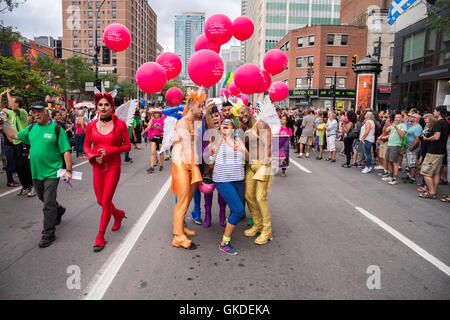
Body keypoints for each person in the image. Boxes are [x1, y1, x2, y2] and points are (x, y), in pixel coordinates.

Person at [1, 101, 72, 248]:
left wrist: (68, 170)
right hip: (36, 173)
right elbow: (15, 135)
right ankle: (58, 210)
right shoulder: (32, 128)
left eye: (39, 111)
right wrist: (4, 125)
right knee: (44, 199)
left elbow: (66, 151)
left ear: (46, 111)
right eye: (33, 111)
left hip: (53, 173)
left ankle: (48, 233)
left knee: (47, 204)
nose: (36, 114)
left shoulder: (57, 129)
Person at [83, 91, 131, 252]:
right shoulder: (91, 125)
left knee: (105, 202)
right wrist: (91, 156)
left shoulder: (120, 125)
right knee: (100, 201)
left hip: (113, 167)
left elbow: (127, 146)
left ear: (112, 107)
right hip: (97, 167)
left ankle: (100, 237)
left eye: (106, 104)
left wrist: (110, 150)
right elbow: (85, 146)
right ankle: (117, 214)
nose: (103, 107)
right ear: (97, 107)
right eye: (101, 104)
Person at [170, 90, 205, 250]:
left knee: (187, 199)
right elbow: (187, 147)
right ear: (191, 106)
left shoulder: (194, 121)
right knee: (183, 201)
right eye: (200, 106)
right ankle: (178, 236)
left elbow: (195, 144)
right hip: (182, 164)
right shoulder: (183, 123)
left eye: (202, 106)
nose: (202, 109)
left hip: (190, 165)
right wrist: (195, 167)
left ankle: (181, 228)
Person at [210, 118, 248, 255]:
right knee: (238, 210)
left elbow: (248, 158)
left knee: (237, 210)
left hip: (238, 179)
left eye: (229, 124)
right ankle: (224, 243)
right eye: (223, 123)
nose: (225, 125)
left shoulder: (238, 141)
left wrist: (242, 148)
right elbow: (210, 157)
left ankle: (229, 224)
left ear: (234, 128)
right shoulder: (217, 139)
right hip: (223, 179)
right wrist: (220, 139)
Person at [239, 105, 273, 245]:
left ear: (250, 111)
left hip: (262, 165)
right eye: (240, 114)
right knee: (248, 196)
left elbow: (269, 146)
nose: (242, 115)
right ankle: (258, 224)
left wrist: (264, 166)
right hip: (251, 165)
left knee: (260, 197)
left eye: (244, 112)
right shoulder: (247, 129)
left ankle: (267, 231)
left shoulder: (260, 124)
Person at [0, 88, 34, 195]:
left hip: (22, 142)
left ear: (18, 104)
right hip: (14, 143)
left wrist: (9, 94)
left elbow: (13, 107)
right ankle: (25, 186)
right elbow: (1, 107)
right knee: (18, 167)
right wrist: (2, 95)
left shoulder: (22, 112)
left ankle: (32, 186)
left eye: (13, 101)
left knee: (24, 166)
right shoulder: (11, 113)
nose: (11, 103)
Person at [419, 106, 449, 199]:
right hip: (441, 151)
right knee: (436, 173)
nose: (434, 112)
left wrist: (426, 138)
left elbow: (436, 136)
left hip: (433, 152)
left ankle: (431, 193)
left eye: (435, 111)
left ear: (439, 112)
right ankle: (433, 191)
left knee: (425, 172)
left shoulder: (438, 123)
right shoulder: (446, 123)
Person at [382, 113, 407, 185]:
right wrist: (385, 124)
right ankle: (390, 176)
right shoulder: (392, 125)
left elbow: (402, 135)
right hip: (390, 144)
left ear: (402, 119)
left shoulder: (403, 126)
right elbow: (385, 131)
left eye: (398, 117)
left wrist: (396, 127)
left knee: (394, 162)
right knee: (388, 161)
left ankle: (395, 178)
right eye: (395, 117)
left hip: (396, 145)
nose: (396, 119)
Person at [142, 108, 165, 173]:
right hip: (153, 137)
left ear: (160, 114)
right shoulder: (152, 120)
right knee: (152, 152)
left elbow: (165, 129)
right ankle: (151, 167)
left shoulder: (163, 120)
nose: (155, 114)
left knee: (161, 152)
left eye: (157, 113)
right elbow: (148, 127)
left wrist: (159, 129)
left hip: (161, 137)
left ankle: (161, 165)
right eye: (154, 113)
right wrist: (143, 132)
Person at [402, 113, 423, 184]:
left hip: (413, 148)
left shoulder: (417, 127)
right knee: (410, 163)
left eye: (412, 116)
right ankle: (410, 175)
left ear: (416, 119)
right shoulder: (412, 126)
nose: (410, 117)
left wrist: (411, 147)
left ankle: (412, 178)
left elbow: (417, 139)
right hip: (408, 147)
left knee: (412, 163)